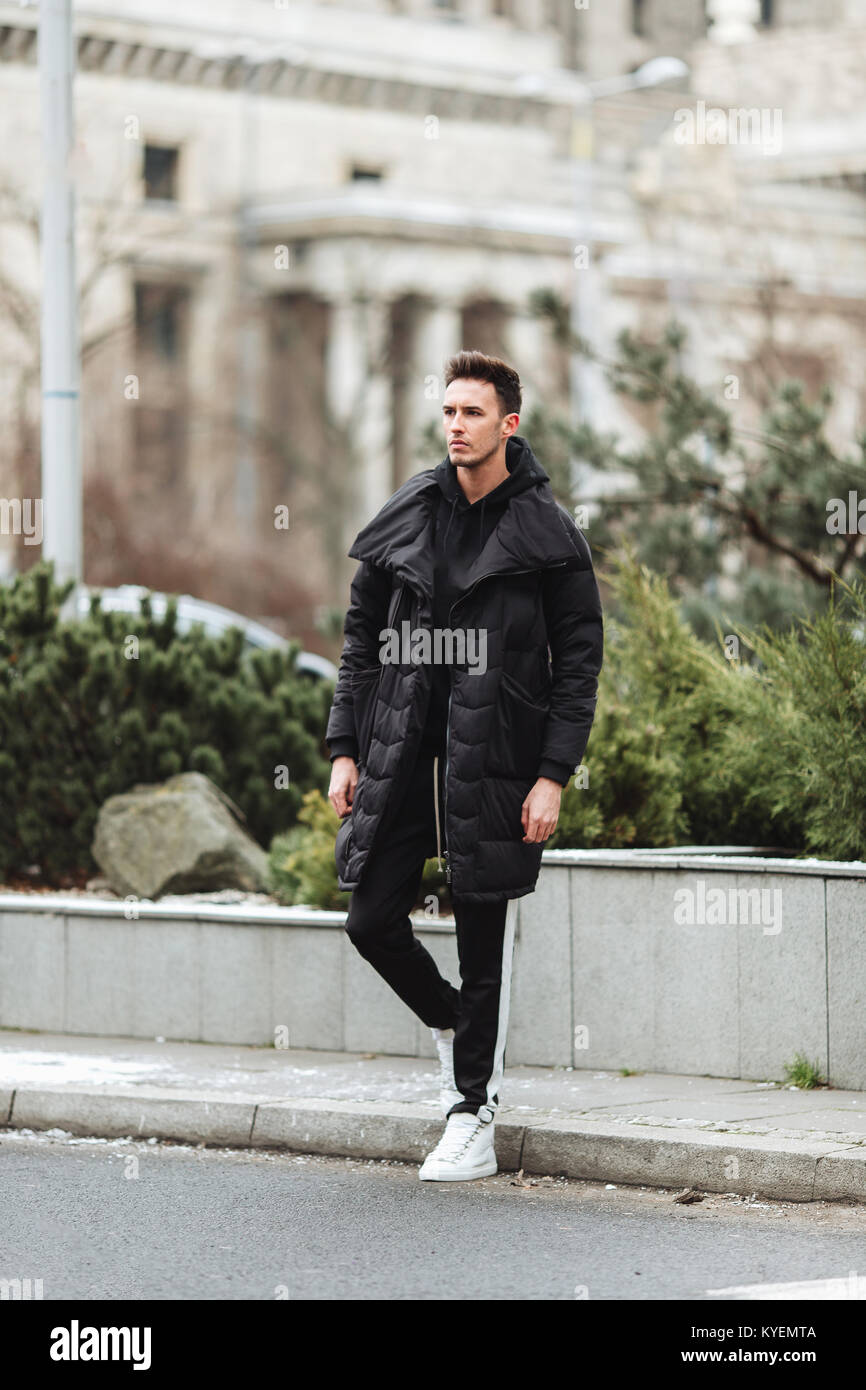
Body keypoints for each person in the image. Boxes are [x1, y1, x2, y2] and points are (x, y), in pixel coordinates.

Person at [326, 350, 604, 1181]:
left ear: (509, 425)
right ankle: (457, 1027)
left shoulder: (550, 536)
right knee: (370, 920)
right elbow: (360, 644)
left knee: (484, 933)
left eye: (472, 413)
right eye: (448, 411)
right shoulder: (410, 511)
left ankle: (471, 1112)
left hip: (501, 757)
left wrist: (553, 774)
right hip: (404, 747)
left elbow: (579, 666)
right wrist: (344, 747)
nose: (455, 426)